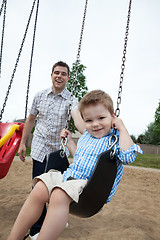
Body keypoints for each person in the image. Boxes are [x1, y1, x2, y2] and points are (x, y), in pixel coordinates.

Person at [8, 90, 142, 240]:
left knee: (59, 194)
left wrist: (122, 129)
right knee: (39, 187)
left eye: (101, 118)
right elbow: (79, 157)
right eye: (89, 120)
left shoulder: (116, 138)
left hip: (91, 188)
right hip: (69, 178)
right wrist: (70, 142)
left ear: (113, 117)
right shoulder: (86, 137)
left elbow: (128, 157)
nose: (95, 124)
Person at [18, 61, 85, 239]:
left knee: (57, 190)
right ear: (51, 75)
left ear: (68, 78)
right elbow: (31, 119)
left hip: (58, 150)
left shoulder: (71, 99)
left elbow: (77, 117)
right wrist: (23, 142)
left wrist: (87, 129)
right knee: (39, 188)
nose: (59, 76)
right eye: (56, 72)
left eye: (63, 74)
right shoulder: (40, 96)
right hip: (40, 147)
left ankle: (55, 219)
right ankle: (36, 229)